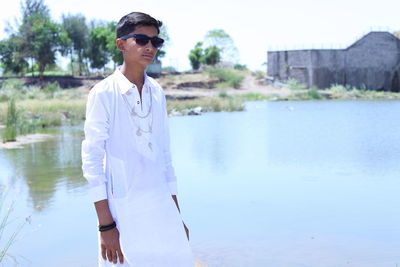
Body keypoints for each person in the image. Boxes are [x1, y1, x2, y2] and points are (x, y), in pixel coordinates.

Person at [81, 12, 195, 267]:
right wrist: (106, 226)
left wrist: (177, 217)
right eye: (142, 39)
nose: (150, 47)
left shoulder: (157, 91)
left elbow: (165, 158)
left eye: (156, 42)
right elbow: (92, 161)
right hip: (125, 210)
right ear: (121, 44)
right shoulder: (104, 93)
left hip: (161, 206)